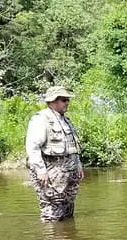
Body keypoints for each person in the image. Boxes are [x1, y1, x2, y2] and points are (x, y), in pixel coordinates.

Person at [26, 86, 84, 221]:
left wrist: (79, 166)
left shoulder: (66, 120)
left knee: (68, 212)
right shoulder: (41, 119)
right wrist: (41, 171)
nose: (67, 103)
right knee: (52, 214)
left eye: (67, 100)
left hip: (70, 175)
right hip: (51, 176)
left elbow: (73, 146)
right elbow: (33, 147)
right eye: (64, 100)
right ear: (53, 101)